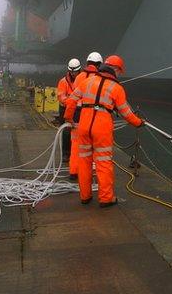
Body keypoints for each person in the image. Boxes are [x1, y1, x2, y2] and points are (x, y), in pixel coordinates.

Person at [64, 55, 144, 207]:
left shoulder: (87, 81)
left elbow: (71, 100)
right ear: (116, 70)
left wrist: (69, 118)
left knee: (84, 161)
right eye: (120, 71)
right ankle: (106, 198)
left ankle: (85, 196)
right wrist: (139, 123)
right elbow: (126, 113)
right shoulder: (117, 88)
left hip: (84, 124)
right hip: (102, 127)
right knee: (103, 163)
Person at [64, 52, 103, 181]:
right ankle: (93, 172)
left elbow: (72, 99)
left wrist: (68, 117)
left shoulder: (80, 77)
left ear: (86, 63)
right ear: (100, 64)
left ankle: (74, 172)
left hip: (77, 113)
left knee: (75, 144)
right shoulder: (101, 77)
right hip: (95, 115)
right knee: (94, 145)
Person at [56, 58, 82, 163]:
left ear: (79, 70)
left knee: (78, 132)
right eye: (71, 71)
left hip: (78, 109)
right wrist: (71, 102)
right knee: (66, 132)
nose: (72, 73)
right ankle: (66, 154)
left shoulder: (83, 80)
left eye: (74, 71)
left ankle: (76, 153)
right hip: (65, 108)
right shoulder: (63, 82)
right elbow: (61, 96)